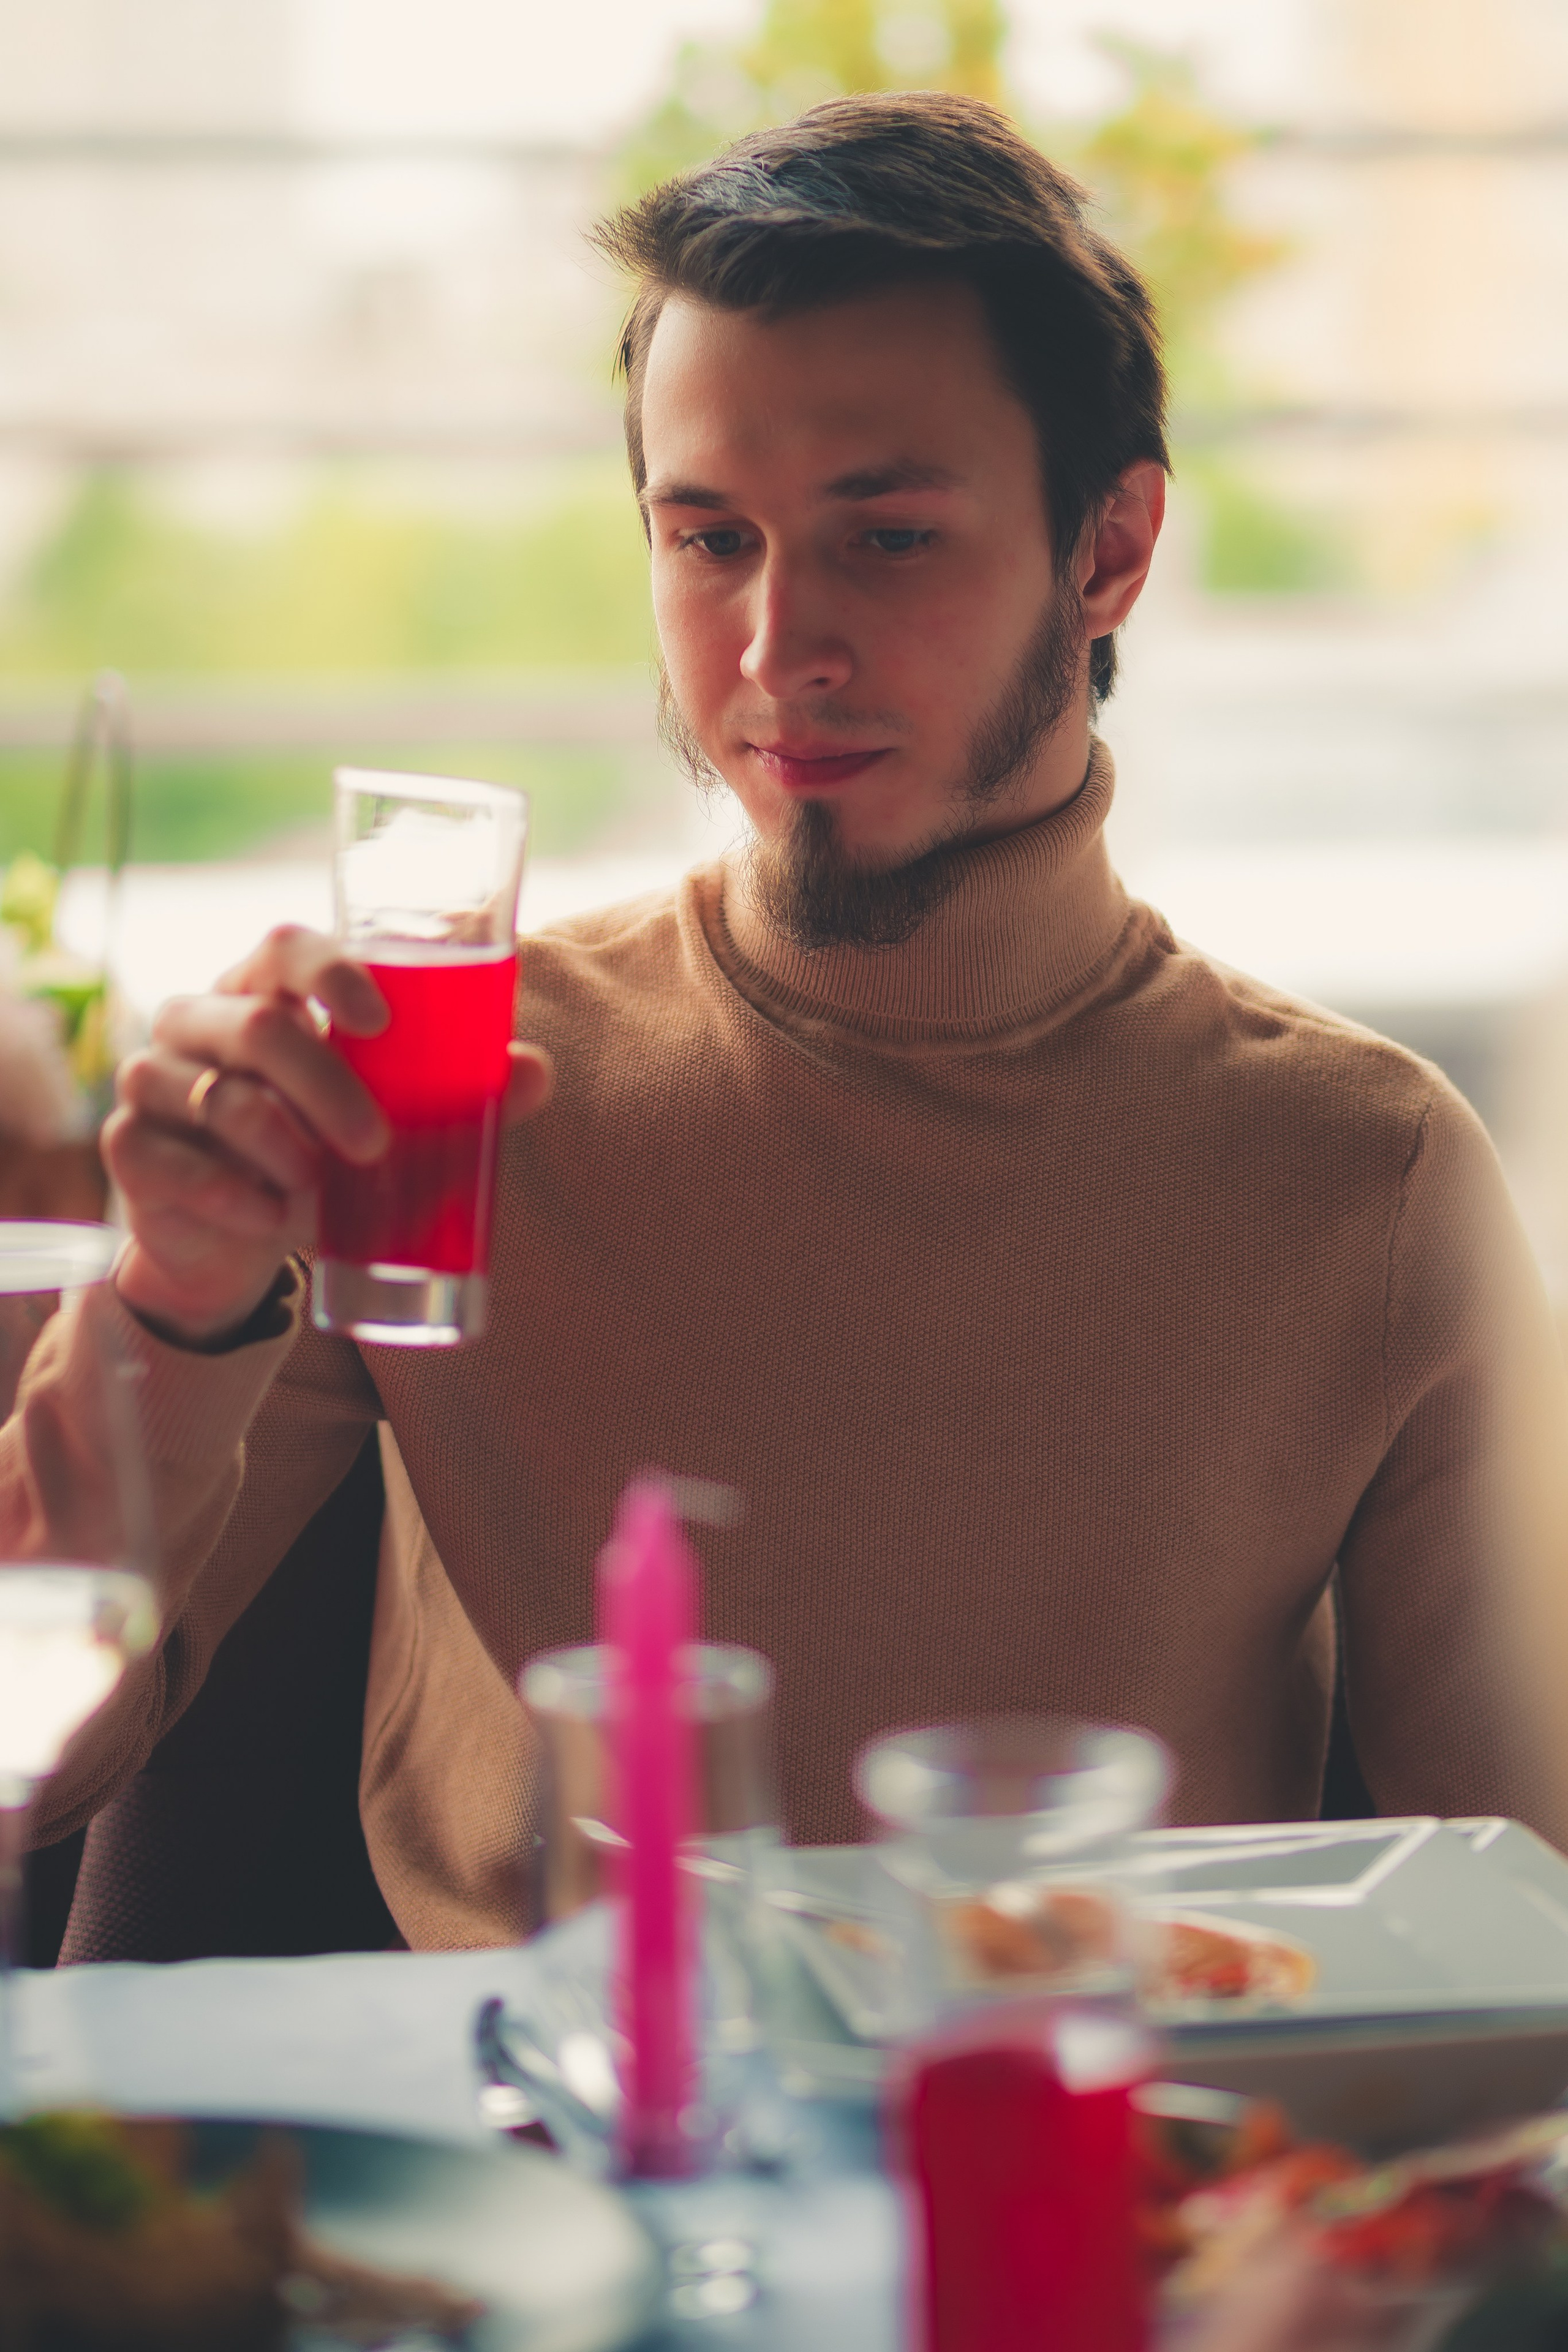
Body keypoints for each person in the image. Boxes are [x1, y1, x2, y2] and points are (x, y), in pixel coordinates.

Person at [5, 92, 1566, 1947]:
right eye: (709, 539)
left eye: (886, 537)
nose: (773, 651)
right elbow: (25, 1760)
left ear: (1109, 551)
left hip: (1104, 2109)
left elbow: (1527, 1931)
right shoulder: (442, 1103)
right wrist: (178, 1304)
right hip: (545, 2114)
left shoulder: (1368, 1174)